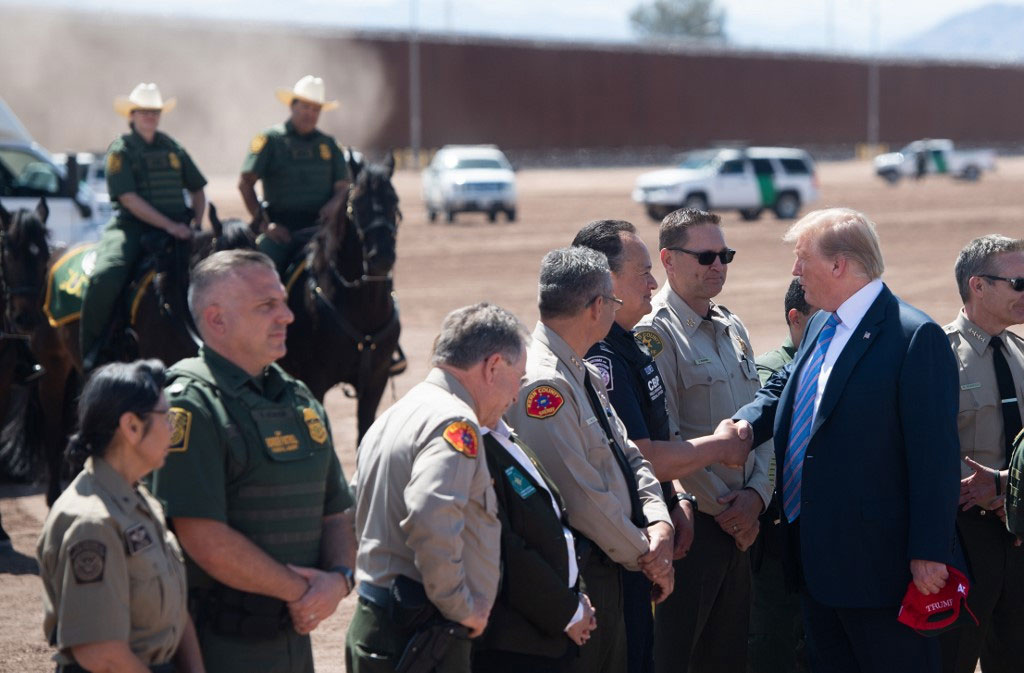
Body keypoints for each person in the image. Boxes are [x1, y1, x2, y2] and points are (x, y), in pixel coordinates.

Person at [732, 207, 961, 673]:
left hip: (884, 569)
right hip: (816, 560)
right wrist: (742, 425)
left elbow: (935, 458)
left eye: (802, 258)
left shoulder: (914, 337)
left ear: (839, 265)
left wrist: (929, 553)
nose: (795, 271)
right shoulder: (820, 324)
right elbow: (786, 391)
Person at [148, 249, 356, 673]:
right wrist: (302, 590)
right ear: (216, 320)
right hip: (216, 647)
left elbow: (337, 511)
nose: (288, 316)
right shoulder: (191, 405)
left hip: (290, 642)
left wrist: (338, 580)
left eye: (282, 301)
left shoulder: (298, 398)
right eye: (267, 305)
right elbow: (201, 535)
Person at [571, 219, 752, 673]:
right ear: (605, 280)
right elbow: (644, 454)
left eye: (724, 256)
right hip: (646, 544)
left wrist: (694, 499)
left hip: (687, 524)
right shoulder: (609, 354)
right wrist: (716, 470)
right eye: (643, 273)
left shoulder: (633, 346)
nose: (652, 283)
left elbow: (753, 424)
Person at [506, 246, 674, 673]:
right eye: (612, 302)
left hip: (620, 561)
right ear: (598, 306)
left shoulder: (580, 370)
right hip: (590, 574)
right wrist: (648, 555)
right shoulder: (545, 386)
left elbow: (631, 457)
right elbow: (582, 498)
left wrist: (659, 523)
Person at [346, 303, 528, 673]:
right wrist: (461, 607)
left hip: (379, 620)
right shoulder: (454, 422)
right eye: (518, 379)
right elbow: (431, 514)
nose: (515, 398)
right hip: (419, 635)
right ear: (493, 367)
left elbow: (353, 511)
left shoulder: (396, 414)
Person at [635, 208, 773, 673]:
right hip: (693, 530)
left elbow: (759, 424)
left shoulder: (733, 327)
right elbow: (664, 438)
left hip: (742, 527)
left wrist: (756, 496)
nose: (718, 265)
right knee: (678, 658)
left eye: (725, 255)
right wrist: (726, 510)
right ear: (668, 260)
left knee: (729, 658)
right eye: (707, 255)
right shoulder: (654, 335)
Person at [36, 359, 204, 673]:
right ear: (131, 427)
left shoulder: (140, 500)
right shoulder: (93, 522)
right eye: (166, 417)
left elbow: (176, 610)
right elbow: (100, 653)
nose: (173, 428)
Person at [939, 235, 1024, 673]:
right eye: (1018, 282)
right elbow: (923, 447)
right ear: (979, 285)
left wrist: (1009, 487)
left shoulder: (1021, 354)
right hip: (965, 539)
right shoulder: (936, 355)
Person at [80, 83, 206, 372]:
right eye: (144, 112)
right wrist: (170, 226)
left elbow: (198, 189)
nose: (150, 116)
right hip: (132, 229)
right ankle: (91, 353)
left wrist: (197, 224)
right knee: (106, 277)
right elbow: (129, 199)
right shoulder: (121, 150)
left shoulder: (173, 147)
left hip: (179, 228)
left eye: (155, 111)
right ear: (132, 115)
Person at [749, 278, 817, 673]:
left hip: (825, 537)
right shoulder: (771, 372)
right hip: (777, 535)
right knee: (773, 642)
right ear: (796, 319)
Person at [238, 75, 350, 273]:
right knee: (260, 273)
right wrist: (265, 225)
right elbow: (245, 183)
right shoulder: (270, 140)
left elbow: (343, 187)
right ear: (292, 106)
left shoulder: (330, 145)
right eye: (305, 107)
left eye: (316, 109)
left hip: (321, 230)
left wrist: (334, 204)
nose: (310, 114)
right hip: (281, 231)